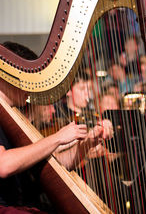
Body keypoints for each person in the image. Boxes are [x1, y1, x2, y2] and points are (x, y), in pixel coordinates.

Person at [0, 42, 113, 213]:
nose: (31, 89)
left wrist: (87, 143)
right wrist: (58, 137)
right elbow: (4, 165)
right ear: (8, 77)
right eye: (27, 80)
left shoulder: (14, 116)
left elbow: (54, 165)